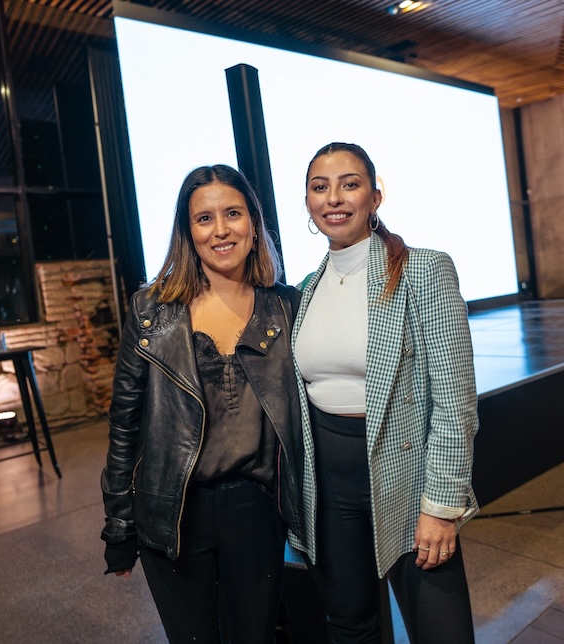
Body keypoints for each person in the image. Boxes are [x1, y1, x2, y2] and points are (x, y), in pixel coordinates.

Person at [100, 164, 304, 643]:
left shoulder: (287, 307)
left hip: (256, 511)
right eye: (204, 218)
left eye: (232, 213)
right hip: (173, 510)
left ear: (253, 223)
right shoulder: (150, 312)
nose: (220, 230)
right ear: (187, 233)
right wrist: (119, 526)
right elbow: (124, 427)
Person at [289, 142, 479, 643]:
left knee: (443, 633)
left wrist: (441, 505)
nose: (334, 198)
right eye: (320, 186)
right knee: (351, 627)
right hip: (328, 489)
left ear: (376, 196)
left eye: (349, 184)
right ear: (308, 203)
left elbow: (455, 401)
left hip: (407, 481)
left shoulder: (423, 270)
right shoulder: (307, 287)